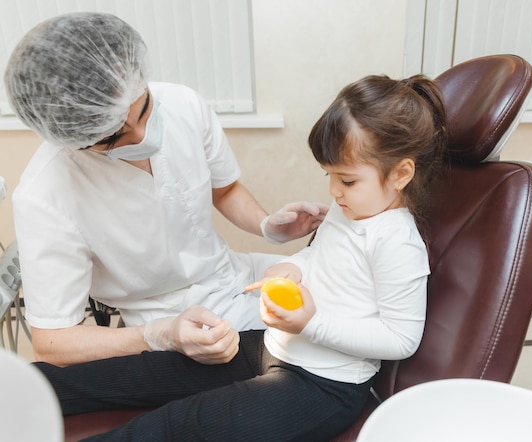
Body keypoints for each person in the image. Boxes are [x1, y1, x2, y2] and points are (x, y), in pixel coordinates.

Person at [36, 73, 448, 440]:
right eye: (330, 177)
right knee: (132, 374)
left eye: (347, 180)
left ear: (401, 174)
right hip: (278, 348)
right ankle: (22, 389)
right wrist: (289, 268)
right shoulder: (353, 209)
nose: (334, 192)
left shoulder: (397, 243)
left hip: (324, 385)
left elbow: (401, 340)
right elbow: (316, 260)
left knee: (177, 425)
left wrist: (311, 322)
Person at [4, 12, 327, 367]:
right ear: (72, 138)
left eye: (144, 110)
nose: (141, 136)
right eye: (112, 137)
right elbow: (53, 344)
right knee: (317, 353)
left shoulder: (183, 105)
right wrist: (159, 335)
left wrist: (267, 225)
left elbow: (224, 189)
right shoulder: (45, 195)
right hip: (163, 315)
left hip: (231, 272)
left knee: (348, 287)